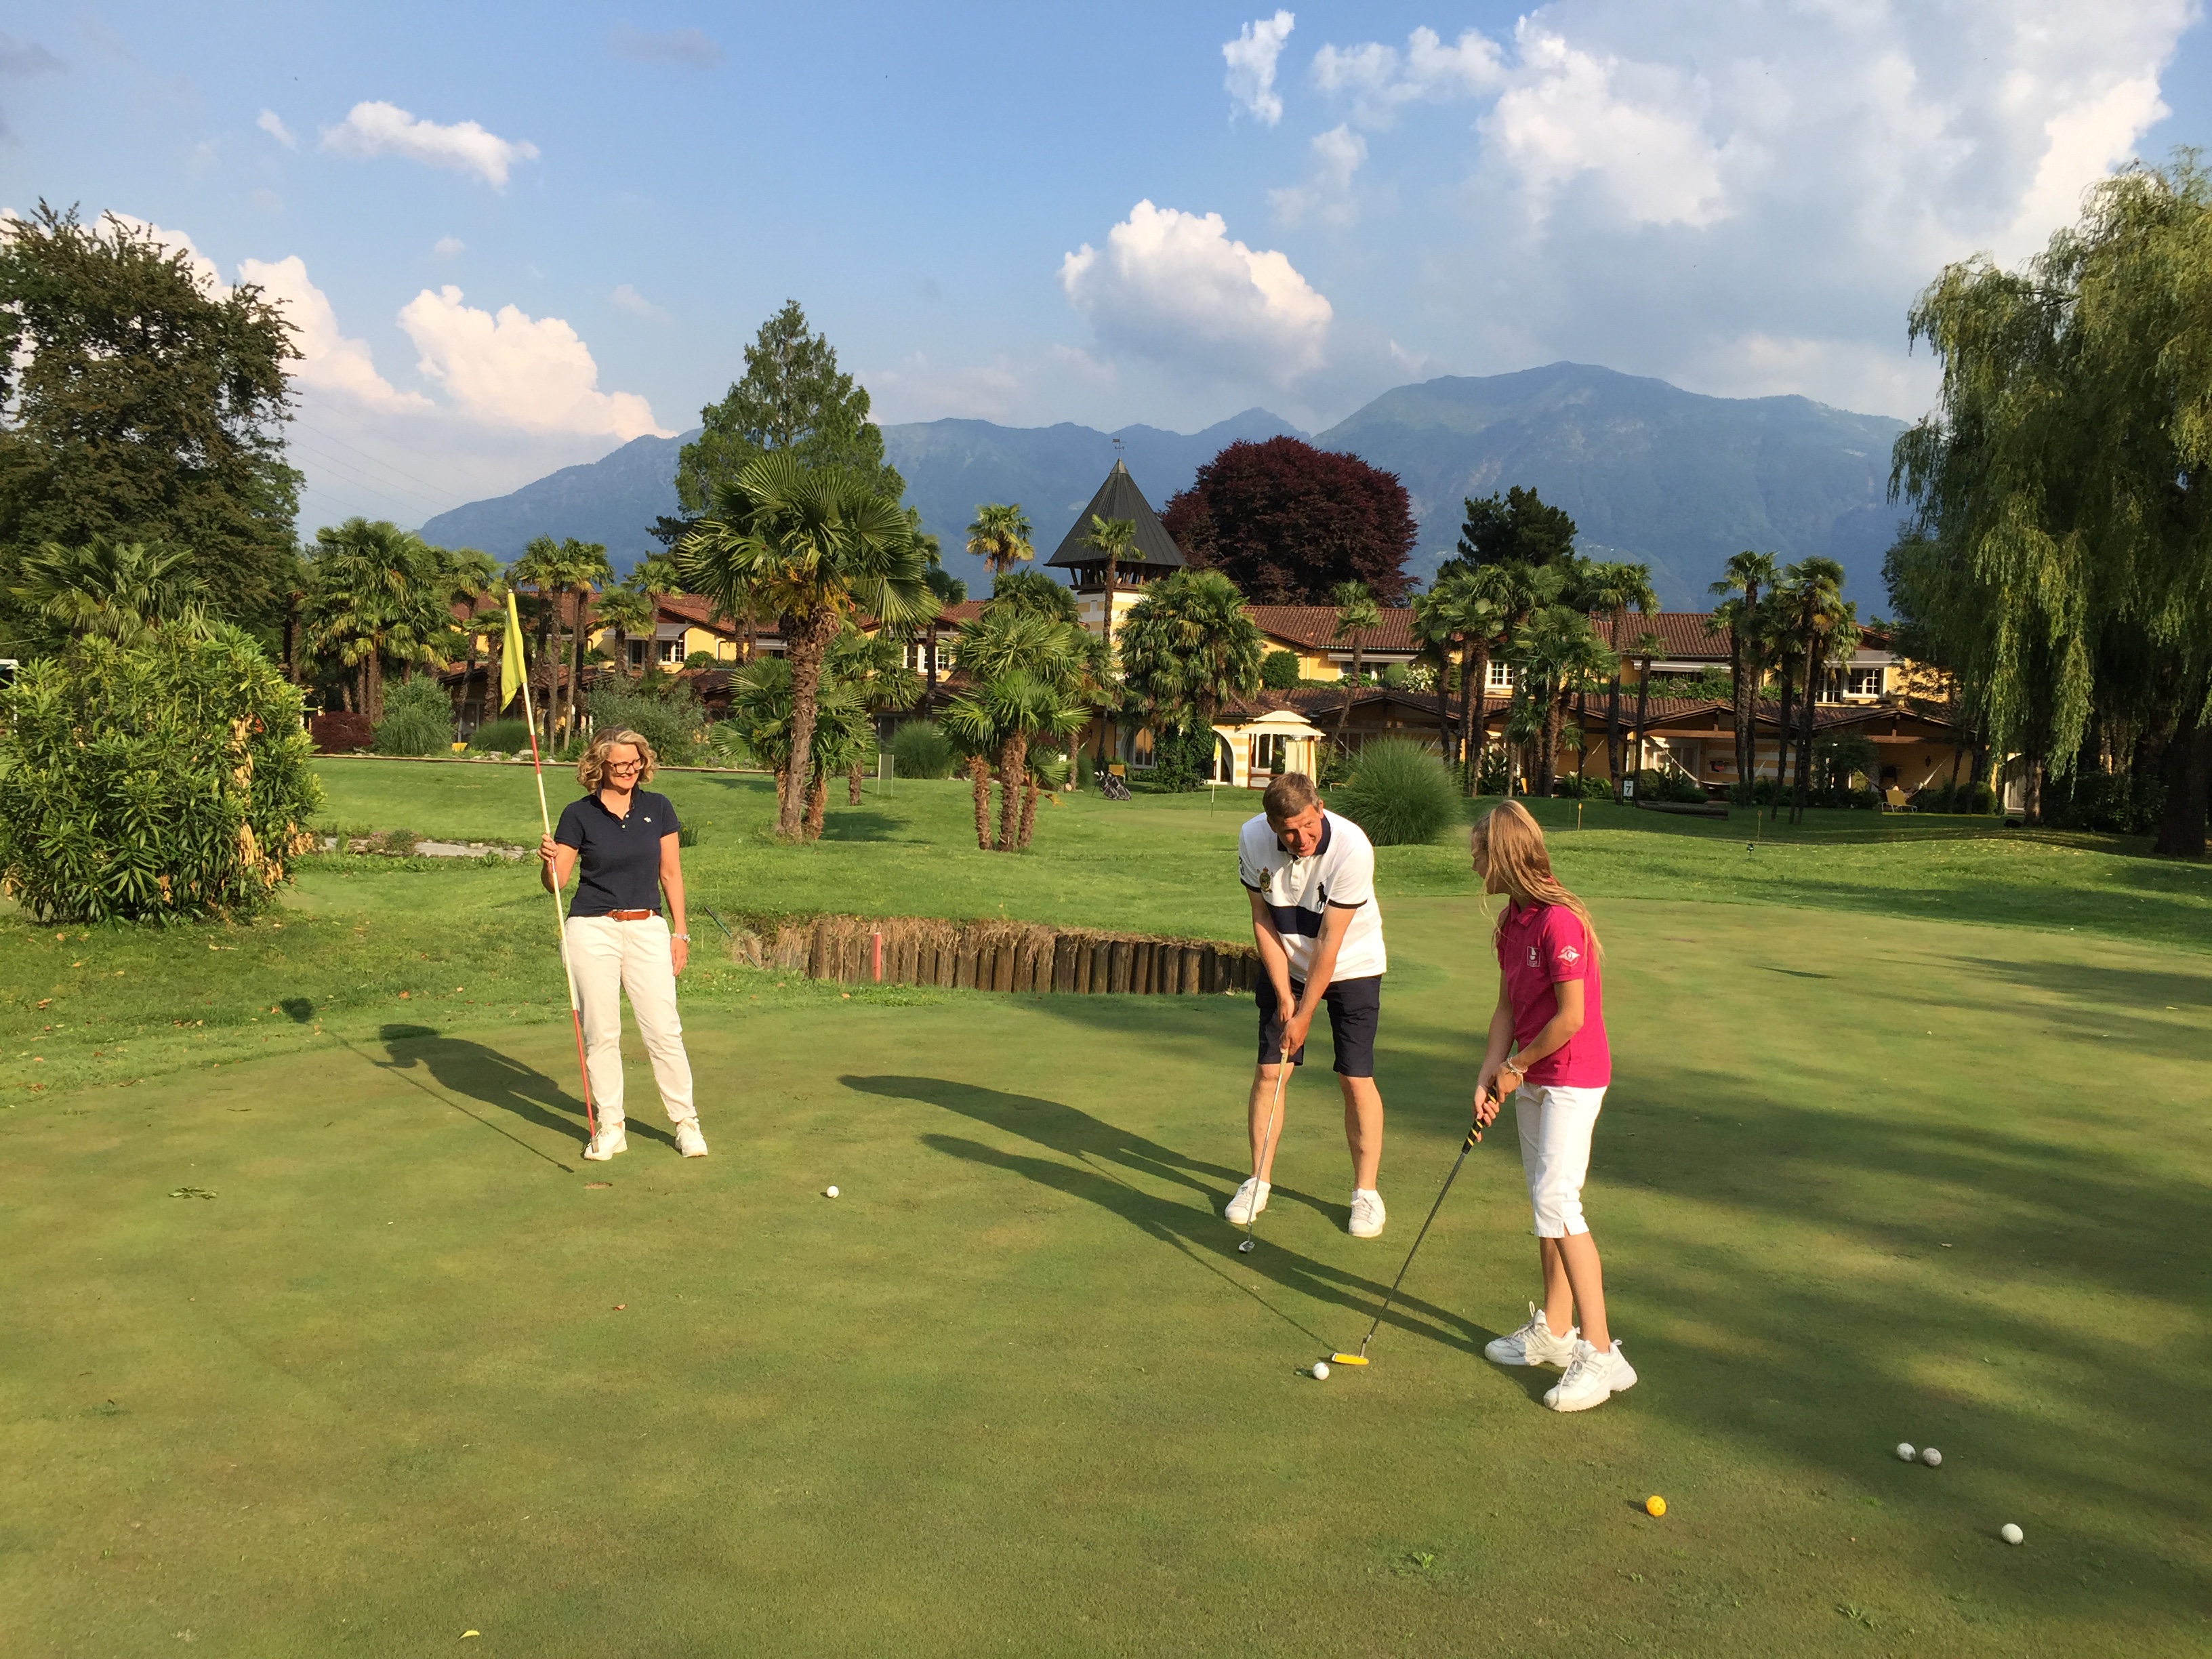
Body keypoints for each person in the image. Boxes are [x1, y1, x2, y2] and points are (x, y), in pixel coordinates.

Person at [1469, 799, 1635, 1412]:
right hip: (1533, 1074)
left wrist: (1515, 1067)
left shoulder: (1559, 921)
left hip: (1571, 1075)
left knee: (1558, 1200)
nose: (1474, 864)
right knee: (1546, 1200)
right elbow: (1507, 1007)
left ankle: (1602, 1354)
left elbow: (1571, 1018)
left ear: (1504, 855)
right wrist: (1489, 1072)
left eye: (1480, 853)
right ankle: (1557, 1331)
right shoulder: (1511, 920)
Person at [1226, 771, 1389, 1238]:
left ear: (1319, 808)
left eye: (1307, 826)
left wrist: (1303, 1014)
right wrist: (1284, 995)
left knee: (1355, 1079)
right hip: (1288, 961)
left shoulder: (1352, 848)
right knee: (1270, 1072)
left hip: (1353, 965)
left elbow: (1330, 943)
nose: (1300, 839)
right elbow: (1262, 918)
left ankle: (1366, 1194)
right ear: (1271, 825)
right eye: (1288, 832)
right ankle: (1258, 1182)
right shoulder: (1252, 837)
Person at [537, 728, 707, 1162]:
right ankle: (612, 1126)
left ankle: (686, 1123)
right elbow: (557, 883)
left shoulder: (658, 807)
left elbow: (670, 874)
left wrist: (680, 933)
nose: (629, 771)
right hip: (592, 929)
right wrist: (549, 862)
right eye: (620, 765)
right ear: (600, 765)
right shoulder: (578, 814)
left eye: (635, 763)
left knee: (664, 1030)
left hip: (648, 927)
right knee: (601, 1032)